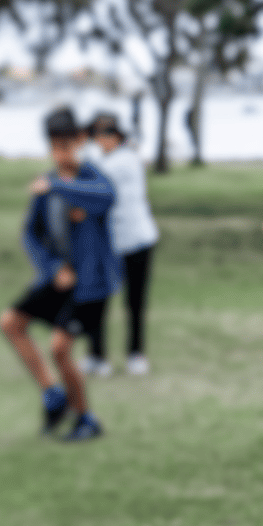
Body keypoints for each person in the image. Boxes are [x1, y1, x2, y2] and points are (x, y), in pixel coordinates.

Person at [0, 107, 120, 442]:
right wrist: (53, 268)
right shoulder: (47, 184)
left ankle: (87, 419)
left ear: (79, 143)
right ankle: (53, 395)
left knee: (60, 348)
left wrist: (57, 185)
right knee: (11, 322)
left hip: (91, 286)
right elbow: (30, 235)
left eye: (66, 145)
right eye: (54, 146)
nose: (60, 153)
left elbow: (107, 198)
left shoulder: (90, 178)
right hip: (60, 280)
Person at [82, 111, 159, 377]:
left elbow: (91, 181)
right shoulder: (98, 159)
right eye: (97, 134)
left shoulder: (126, 161)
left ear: (118, 136)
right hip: (108, 242)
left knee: (135, 302)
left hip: (137, 239)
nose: (102, 139)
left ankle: (136, 355)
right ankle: (96, 355)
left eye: (108, 133)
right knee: (97, 301)